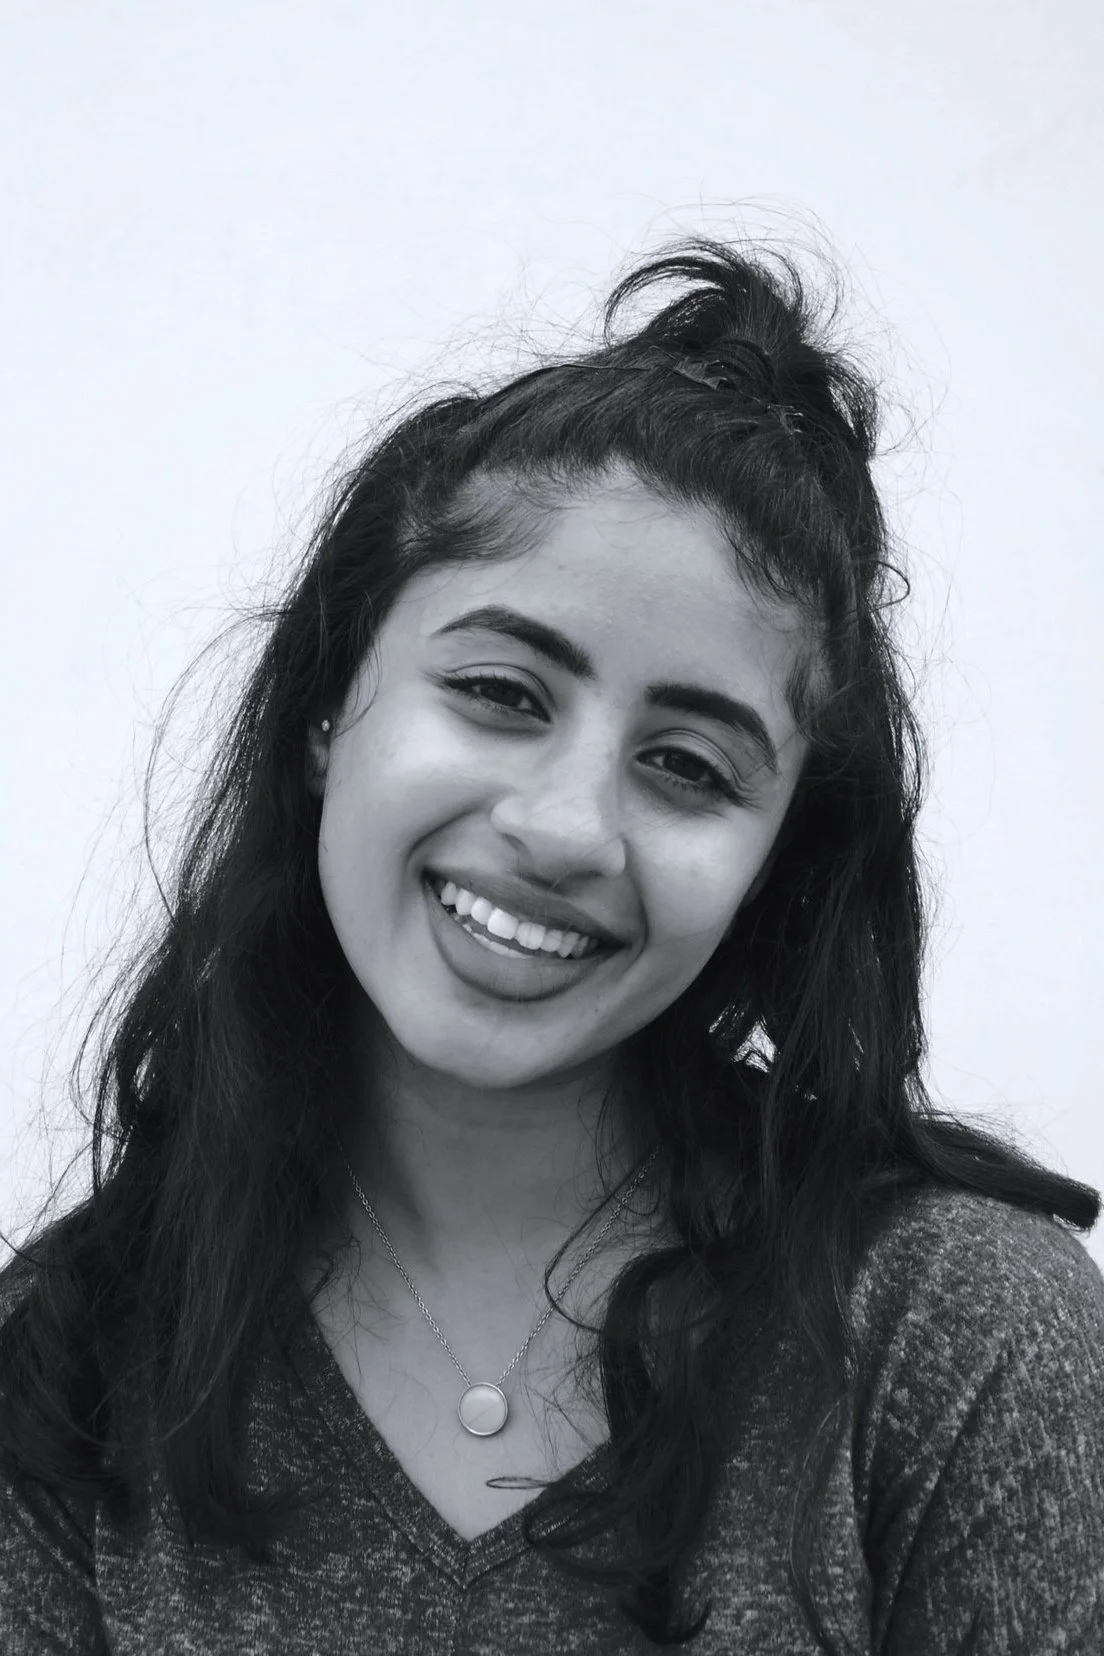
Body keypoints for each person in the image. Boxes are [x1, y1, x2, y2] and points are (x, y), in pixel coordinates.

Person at [1, 235, 1101, 1655]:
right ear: (332, 711)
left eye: (692, 768)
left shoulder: (961, 1338)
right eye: (501, 690)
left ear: (774, 859)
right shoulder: (65, 1368)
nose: (572, 828)